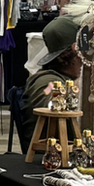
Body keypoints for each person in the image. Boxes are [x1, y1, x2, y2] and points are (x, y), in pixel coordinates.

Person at [18, 17, 83, 150]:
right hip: (51, 156)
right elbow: (49, 100)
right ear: (73, 53)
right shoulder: (49, 83)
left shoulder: (53, 80)